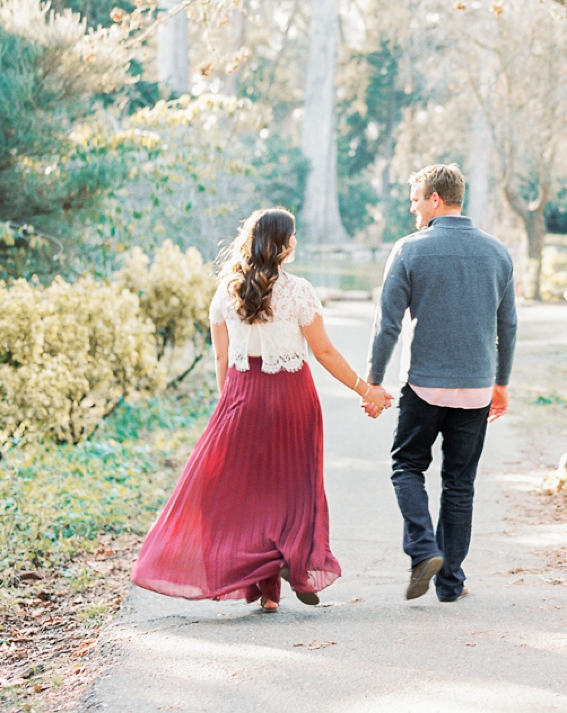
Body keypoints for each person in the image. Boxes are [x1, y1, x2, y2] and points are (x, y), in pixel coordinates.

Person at [132, 207, 393, 613]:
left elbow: (222, 359)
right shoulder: (298, 290)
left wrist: (229, 406)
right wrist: (366, 389)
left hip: (242, 398)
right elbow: (322, 351)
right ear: (285, 244)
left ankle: (269, 592)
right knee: (293, 488)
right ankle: (290, 560)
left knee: (248, 494)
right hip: (292, 400)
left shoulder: (226, 290)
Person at [368, 163, 517, 603]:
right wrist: (501, 383)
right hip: (475, 388)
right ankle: (450, 583)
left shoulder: (410, 250)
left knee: (407, 467)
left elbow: (387, 324)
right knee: (459, 482)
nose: (411, 207)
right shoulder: (498, 253)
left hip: (424, 386)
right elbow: (506, 326)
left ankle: (422, 550)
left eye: (416, 199)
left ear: (435, 199)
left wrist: (374, 380)